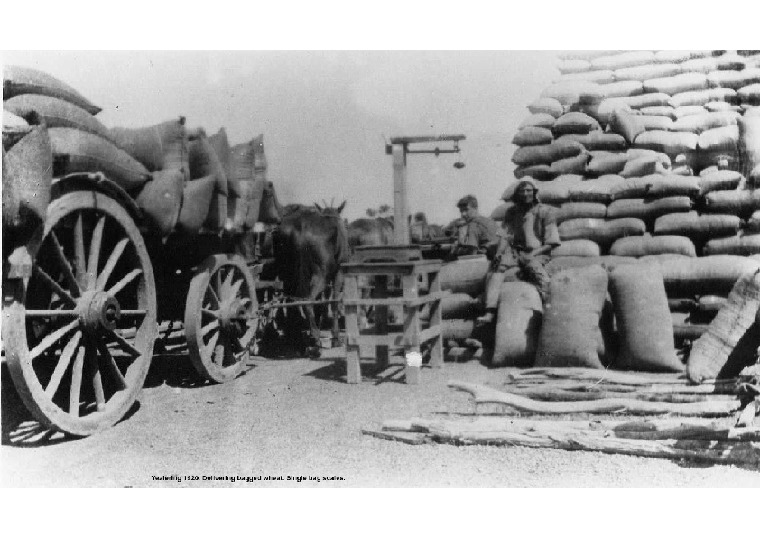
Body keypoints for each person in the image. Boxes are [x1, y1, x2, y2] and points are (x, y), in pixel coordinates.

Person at [476, 178, 560, 326]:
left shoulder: (545, 212)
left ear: (534, 193)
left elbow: (551, 243)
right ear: (517, 195)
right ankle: (490, 311)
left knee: (534, 268)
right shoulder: (512, 213)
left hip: (539, 252)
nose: (526, 194)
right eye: (522, 191)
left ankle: (551, 301)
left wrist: (533, 254)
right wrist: (499, 254)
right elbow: (504, 235)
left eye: (529, 191)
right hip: (516, 251)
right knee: (496, 267)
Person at [448, 195, 500, 259]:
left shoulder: (473, 224)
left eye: (466, 210)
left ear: (475, 208)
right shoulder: (490, 221)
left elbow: (471, 252)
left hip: (484, 260)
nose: (463, 214)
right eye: (461, 211)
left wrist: (454, 251)